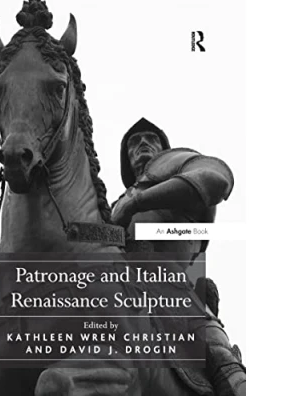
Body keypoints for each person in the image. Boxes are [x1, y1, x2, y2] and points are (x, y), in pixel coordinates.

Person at [111, 117, 246, 396]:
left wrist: (135, 203)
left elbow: (216, 180)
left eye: (151, 138)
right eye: (134, 142)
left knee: (220, 359)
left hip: (174, 288)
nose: (142, 143)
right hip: (121, 286)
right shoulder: (114, 206)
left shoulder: (185, 170)